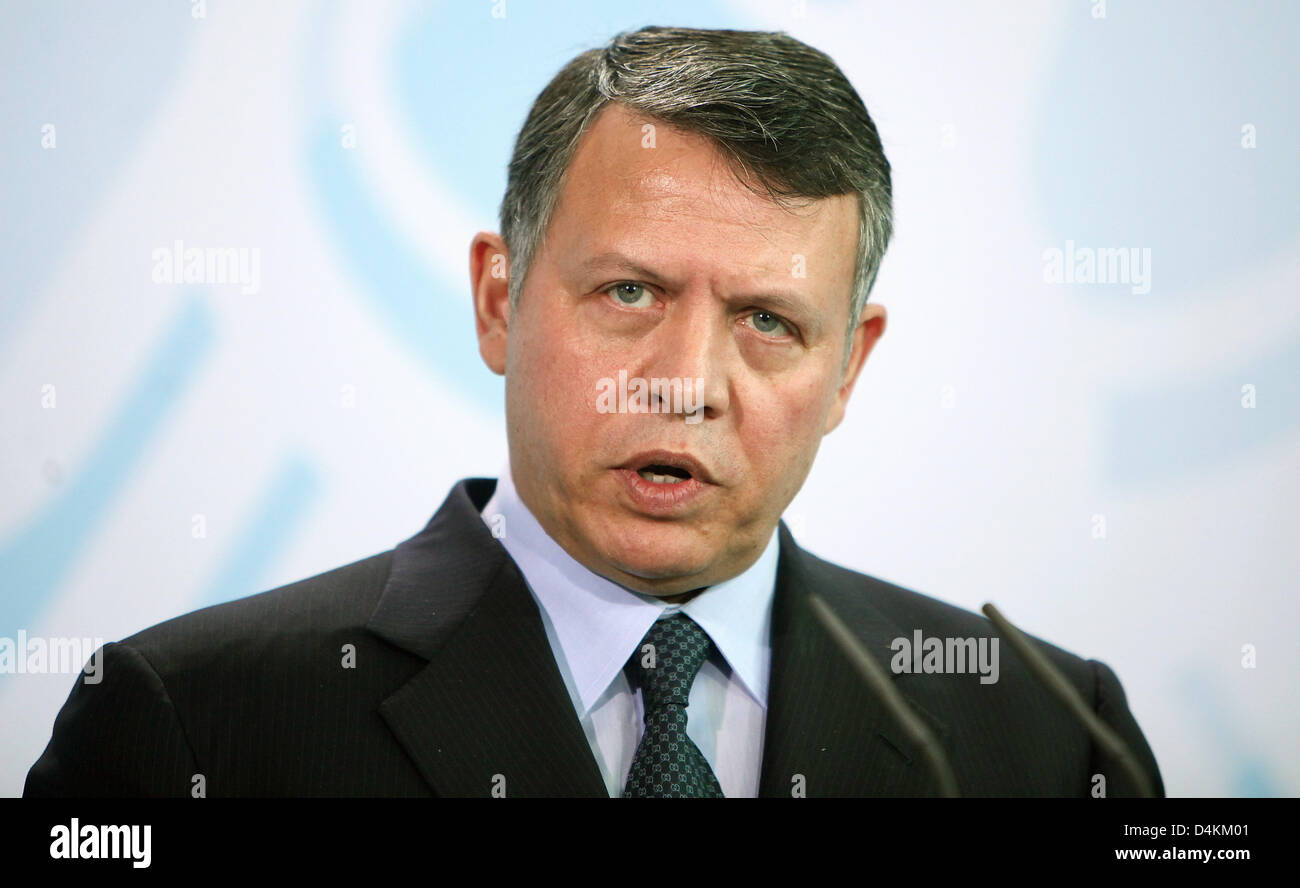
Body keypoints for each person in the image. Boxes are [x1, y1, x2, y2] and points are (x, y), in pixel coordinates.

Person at [25, 26, 1162, 798]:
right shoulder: (192, 726)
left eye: (769, 320)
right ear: (497, 301)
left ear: (849, 368)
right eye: (629, 293)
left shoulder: (1055, 740)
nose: (686, 381)